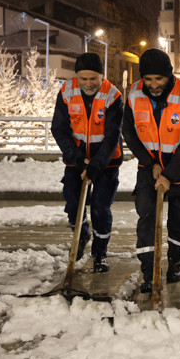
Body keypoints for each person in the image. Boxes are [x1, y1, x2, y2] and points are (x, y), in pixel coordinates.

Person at [122, 49, 180, 294]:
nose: (153, 85)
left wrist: (169, 175)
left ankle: (176, 261)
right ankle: (149, 270)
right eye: (148, 79)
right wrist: (150, 165)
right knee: (147, 218)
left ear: (168, 76)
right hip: (149, 170)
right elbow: (130, 133)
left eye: (159, 79)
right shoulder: (135, 94)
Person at [51, 52, 123, 273]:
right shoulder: (66, 91)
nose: (88, 83)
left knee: (101, 208)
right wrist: (78, 160)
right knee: (73, 204)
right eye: (83, 78)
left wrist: (95, 165)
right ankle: (81, 235)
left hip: (106, 162)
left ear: (102, 76)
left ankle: (100, 253)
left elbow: (112, 137)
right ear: (77, 77)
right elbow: (59, 129)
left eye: (93, 78)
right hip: (76, 161)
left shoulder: (113, 95)